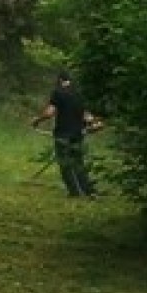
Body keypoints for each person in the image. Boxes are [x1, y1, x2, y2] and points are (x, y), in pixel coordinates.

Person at [31, 70, 101, 198]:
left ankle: (74, 192)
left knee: (65, 164)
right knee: (79, 162)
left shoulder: (58, 92)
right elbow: (86, 115)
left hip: (63, 135)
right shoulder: (78, 94)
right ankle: (88, 190)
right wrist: (95, 124)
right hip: (78, 134)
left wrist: (36, 120)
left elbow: (49, 113)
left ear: (60, 80)